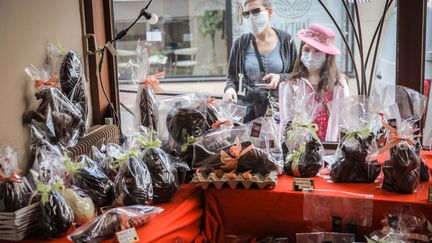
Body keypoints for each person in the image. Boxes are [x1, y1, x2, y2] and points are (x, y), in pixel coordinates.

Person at [223, 0, 297, 122]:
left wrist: (280, 78)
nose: (251, 17)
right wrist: (230, 89)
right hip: (248, 113)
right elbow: (232, 77)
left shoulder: (286, 41)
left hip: (279, 113)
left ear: (270, 12)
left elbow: (298, 75)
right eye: (247, 14)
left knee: (275, 141)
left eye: (256, 11)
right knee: (248, 141)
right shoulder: (240, 44)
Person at [279, 23, 350, 141]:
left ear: (327, 55)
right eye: (306, 50)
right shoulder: (293, 84)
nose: (310, 56)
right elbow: (286, 121)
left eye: (317, 51)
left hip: (329, 147)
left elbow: (342, 120)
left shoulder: (337, 84)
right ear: (301, 51)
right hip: (300, 148)